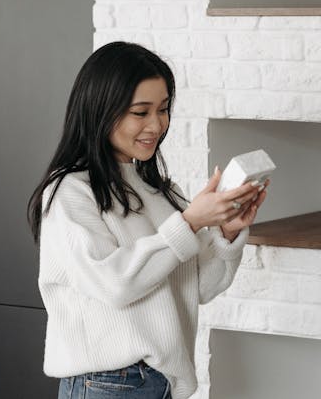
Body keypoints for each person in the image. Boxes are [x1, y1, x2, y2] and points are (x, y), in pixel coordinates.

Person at [27, 42, 268, 399]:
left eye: (164, 109)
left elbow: (200, 287)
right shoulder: (70, 192)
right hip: (107, 382)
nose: (156, 125)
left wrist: (227, 233)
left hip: (156, 382)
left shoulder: (159, 190)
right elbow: (114, 284)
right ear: (100, 111)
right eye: (141, 112)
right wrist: (189, 223)